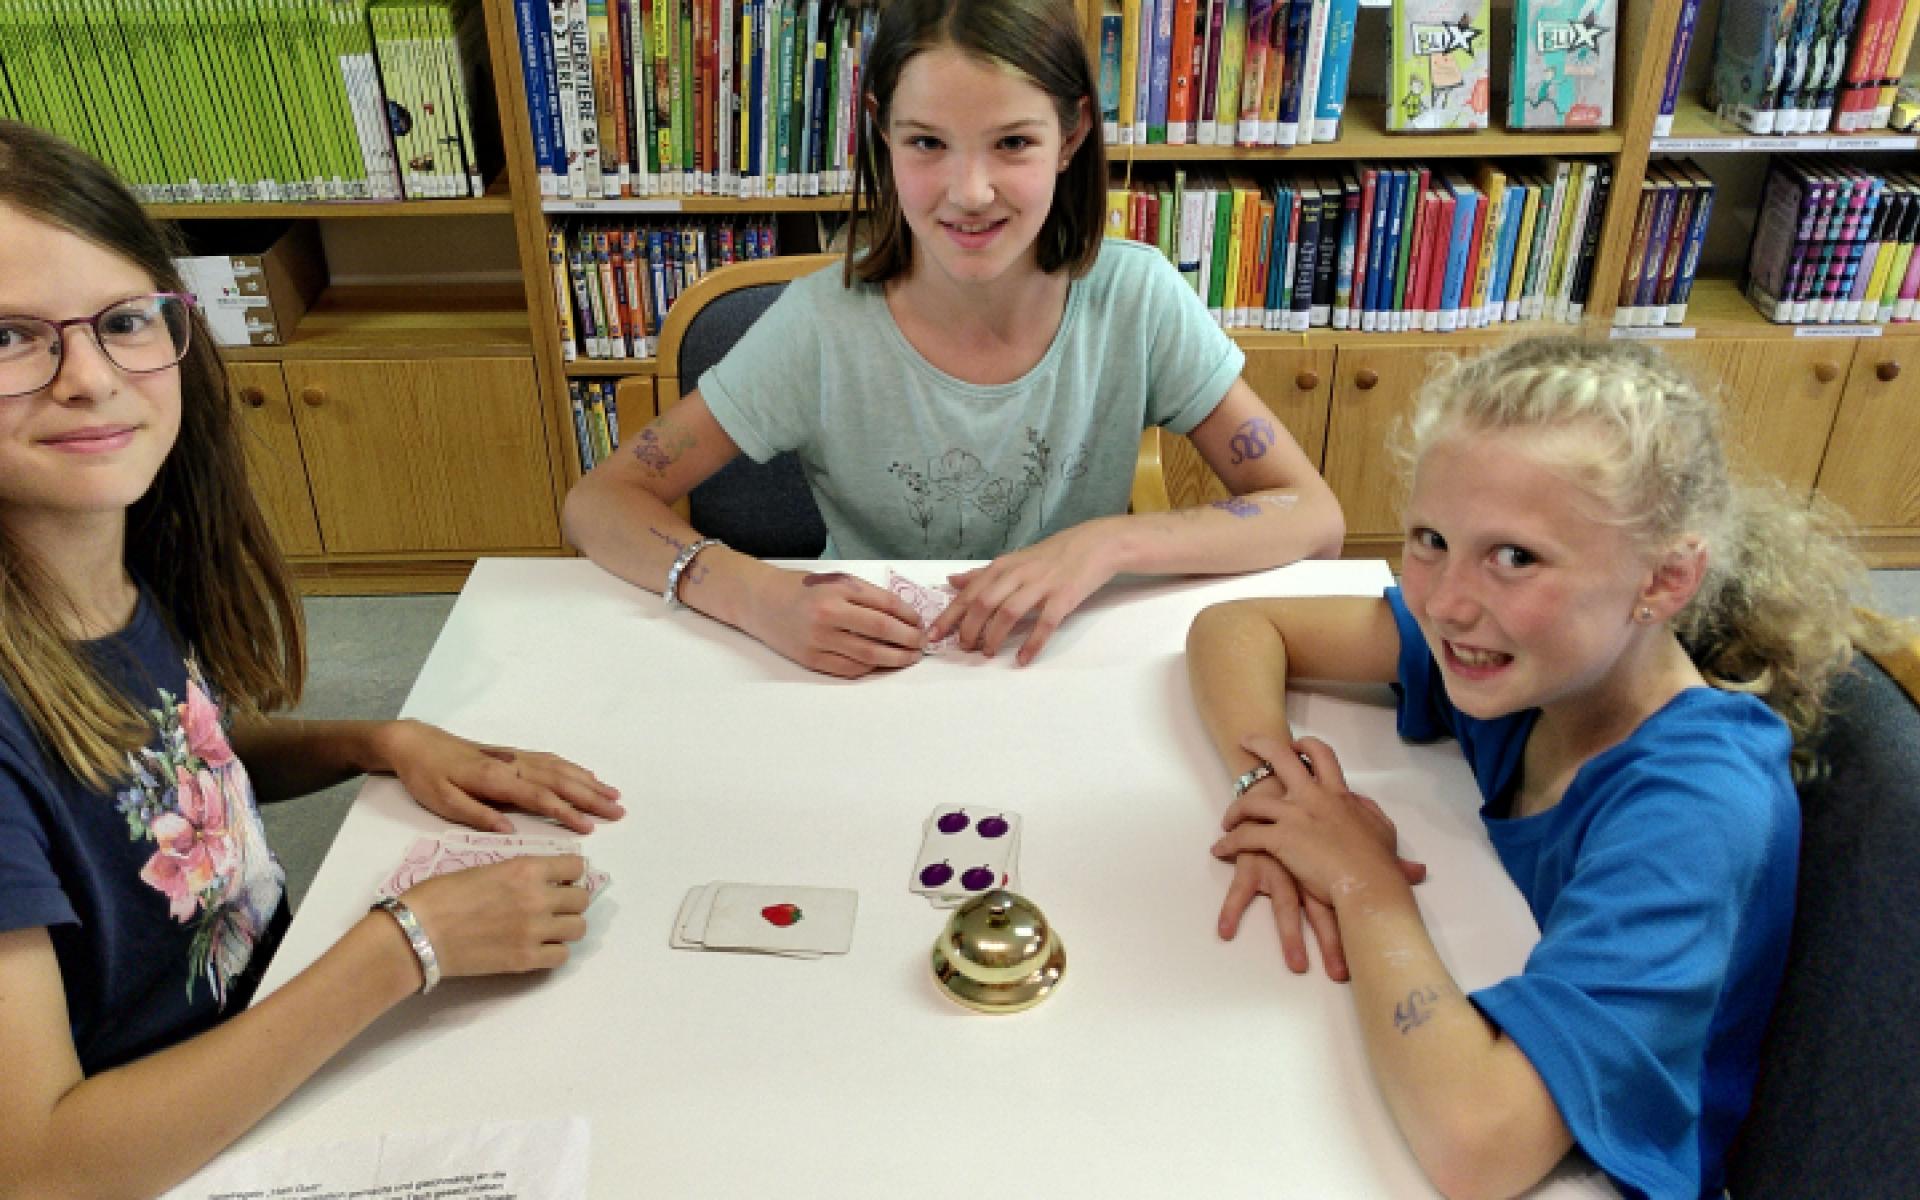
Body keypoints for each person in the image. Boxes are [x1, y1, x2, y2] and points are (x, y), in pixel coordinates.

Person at [0, 120, 625, 1196]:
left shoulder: (99, 567)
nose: (90, 378)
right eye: (8, 338)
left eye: (123, 321)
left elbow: (143, 770)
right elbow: (44, 1162)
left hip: (275, 1048)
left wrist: (371, 739)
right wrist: (405, 946)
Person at [1185, 338, 1870, 1200]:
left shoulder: (1698, 806)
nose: (1444, 601)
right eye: (1431, 539)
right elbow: (1237, 630)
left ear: (1665, 579)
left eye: (1516, 557)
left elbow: (1480, 1146)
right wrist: (1279, 797)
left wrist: (1362, 878)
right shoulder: (1534, 663)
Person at [564, 0, 1343, 678]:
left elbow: (1312, 515)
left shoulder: (1137, 300)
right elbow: (602, 501)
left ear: (1072, 134)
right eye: (928, 144)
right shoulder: (818, 328)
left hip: (1068, 667)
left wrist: (1110, 544)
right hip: (869, 675)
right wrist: (749, 591)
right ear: (882, 133)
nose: (970, 194)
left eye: (1012, 143)